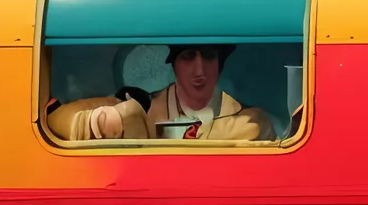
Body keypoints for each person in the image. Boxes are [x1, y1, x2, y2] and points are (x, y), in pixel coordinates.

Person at [47, 44, 275, 142]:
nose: (199, 70)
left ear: (220, 63)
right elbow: (56, 121)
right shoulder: (141, 104)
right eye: (187, 57)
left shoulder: (250, 120)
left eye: (208, 56)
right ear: (174, 64)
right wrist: (106, 121)